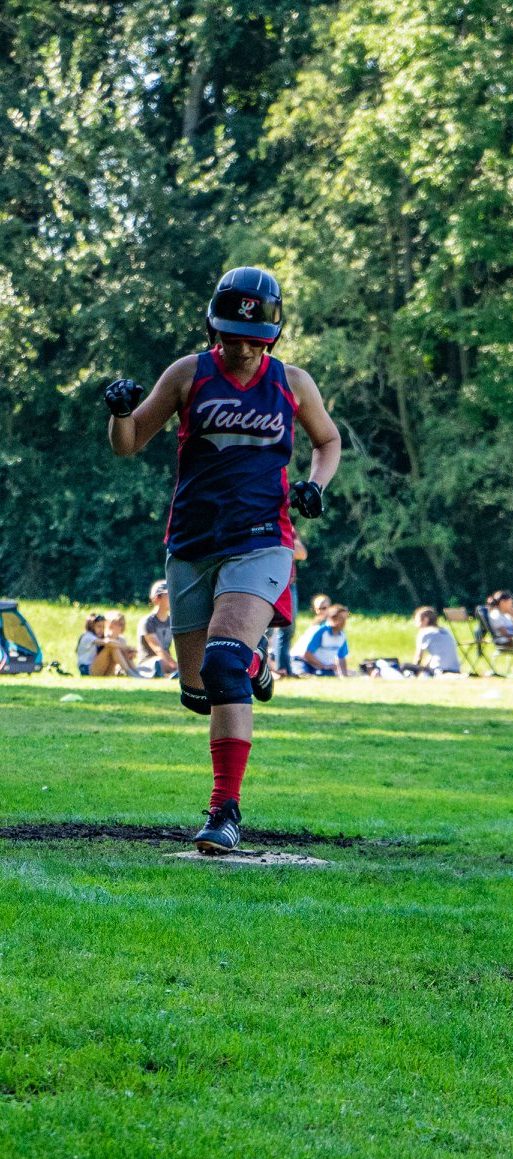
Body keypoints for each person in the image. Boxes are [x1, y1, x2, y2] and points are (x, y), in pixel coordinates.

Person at [105, 266, 341, 853]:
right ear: (214, 328)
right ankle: (256, 666)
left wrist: (317, 484)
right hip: (191, 543)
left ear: (273, 336)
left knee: (223, 664)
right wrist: (117, 412)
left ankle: (224, 812)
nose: (240, 348)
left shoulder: (293, 383)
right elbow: (131, 442)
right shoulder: (189, 374)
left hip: (262, 540)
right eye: (230, 335)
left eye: (252, 338)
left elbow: (328, 441)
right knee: (197, 688)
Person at [269, 533, 308, 676]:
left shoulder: (288, 529)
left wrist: (285, 541)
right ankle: (275, 669)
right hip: (270, 582)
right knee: (269, 630)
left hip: (289, 584)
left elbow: (302, 554)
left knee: (287, 629)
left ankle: (284, 669)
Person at [136, 580, 179, 678]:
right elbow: (158, 649)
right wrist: (175, 666)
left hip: (167, 661)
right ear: (157, 598)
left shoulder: (172, 621)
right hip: (149, 663)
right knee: (158, 662)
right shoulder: (148, 621)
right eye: (168, 595)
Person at [294, 604, 351, 676]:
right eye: (340, 618)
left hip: (320, 666)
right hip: (303, 661)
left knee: (327, 674)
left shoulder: (342, 636)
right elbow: (307, 654)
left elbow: (341, 657)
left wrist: (344, 675)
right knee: (302, 674)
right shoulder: (322, 631)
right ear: (332, 618)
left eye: (345, 618)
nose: (343, 621)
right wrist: (324, 666)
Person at [76, 612, 139, 678]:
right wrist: (127, 647)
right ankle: (129, 672)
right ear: (92, 627)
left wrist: (129, 651)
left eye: (103, 627)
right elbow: (108, 642)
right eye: (98, 626)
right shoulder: (87, 636)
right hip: (87, 670)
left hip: (101, 669)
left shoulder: (101, 637)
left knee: (117, 647)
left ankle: (136, 672)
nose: (101, 630)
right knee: (111, 646)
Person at [413, 606, 461, 675]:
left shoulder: (424, 632)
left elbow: (418, 658)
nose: (415, 623)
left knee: (404, 666)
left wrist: (414, 671)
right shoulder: (446, 630)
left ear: (426, 620)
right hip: (455, 670)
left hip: (438, 670)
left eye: (417, 620)